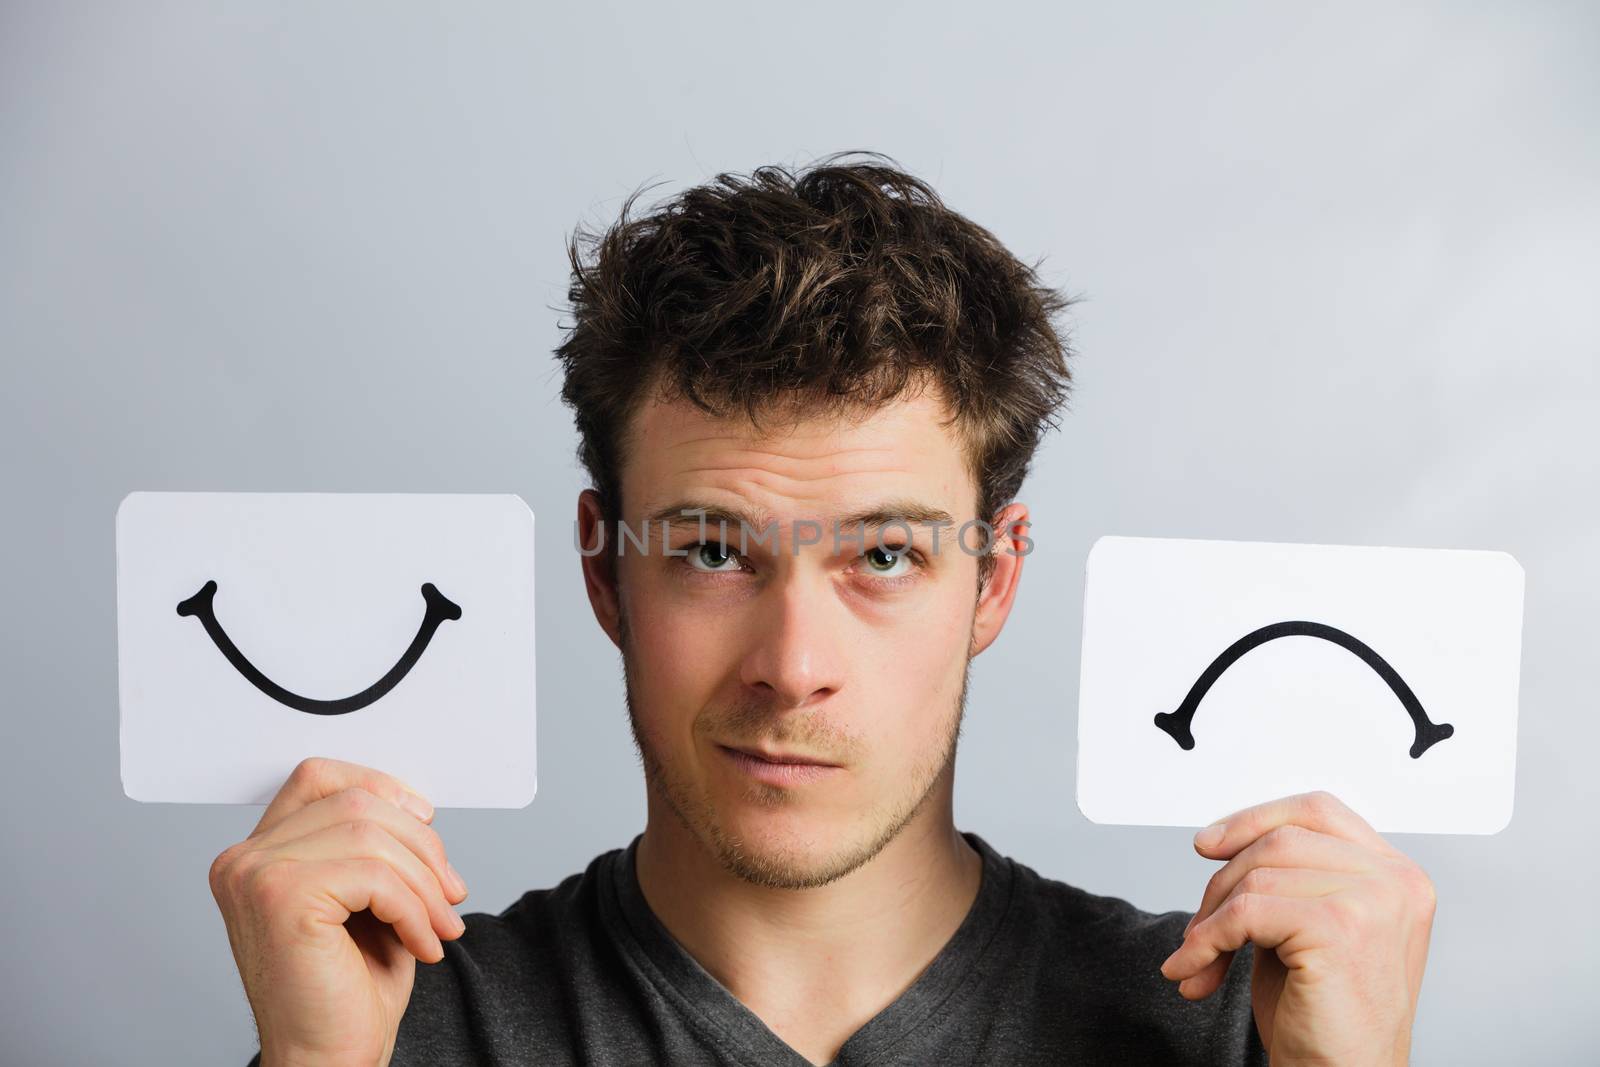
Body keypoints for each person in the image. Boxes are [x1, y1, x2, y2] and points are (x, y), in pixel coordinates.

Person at [211, 153, 1437, 1066]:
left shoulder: (1243, 1019)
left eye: (887, 556)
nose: (793, 666)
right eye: (708, 551)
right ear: (603, 571)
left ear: (993, 577)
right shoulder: (387, 1021)